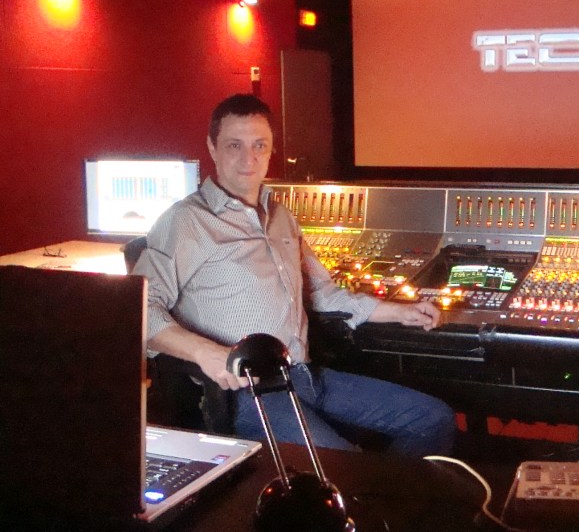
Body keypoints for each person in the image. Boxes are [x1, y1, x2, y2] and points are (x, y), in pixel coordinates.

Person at [132, 93, 456, 456]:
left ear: (271, 149)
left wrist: (398, 311)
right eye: (234, 145)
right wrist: (206, 352)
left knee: (433, 419)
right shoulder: (186, 221)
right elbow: (139, 310)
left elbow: (323, 293)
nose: (248, 158)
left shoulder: (282, 216)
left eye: (259, 145)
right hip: (247, 392)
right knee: (343, 463)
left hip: (303, 375)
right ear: (212, 147)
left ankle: (381, 491)